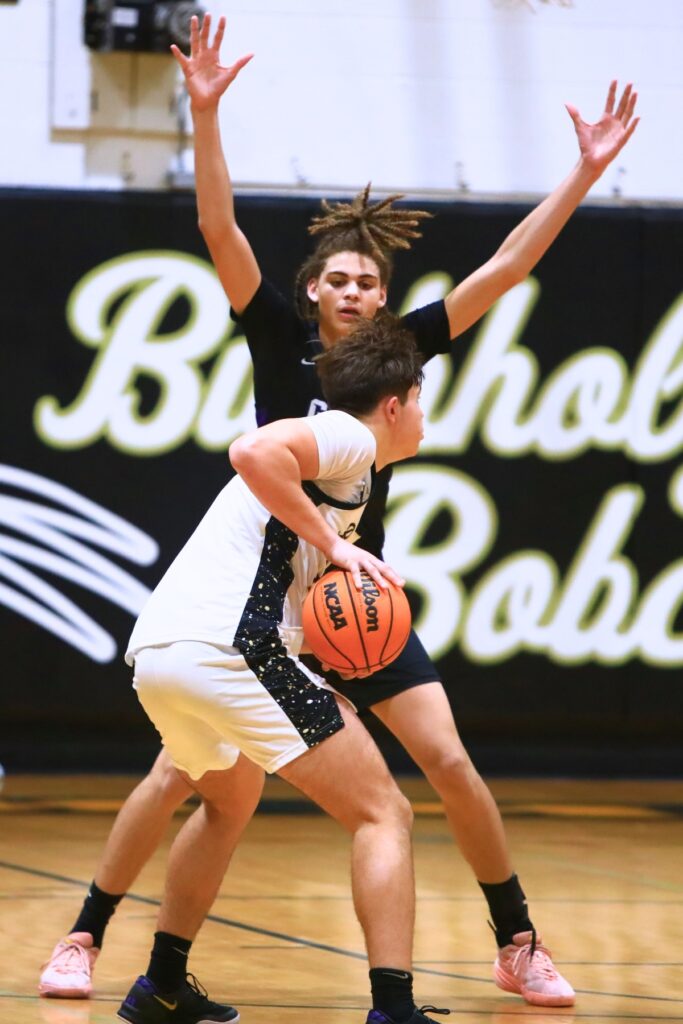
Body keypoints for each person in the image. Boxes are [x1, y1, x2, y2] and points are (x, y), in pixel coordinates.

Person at [39, 12, 639, 1009]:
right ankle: (87, 933)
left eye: (370, 279)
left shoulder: (400, 352)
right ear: (313, 287)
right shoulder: (277, 340)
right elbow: (219, 230)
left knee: (445, 759)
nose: (356, 289)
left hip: (353, 602)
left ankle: (516, 938)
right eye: (341, 277)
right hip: (271, 596)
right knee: (188, 779)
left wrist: (579, 178)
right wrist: (203, 116)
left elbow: (501, 272)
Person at [115, 320, 452, 1024]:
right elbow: (251, 450)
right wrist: (332, 543)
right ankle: (393, 1007)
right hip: (230, 647)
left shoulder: (349, 472)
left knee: (227, 803)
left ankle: (162, 987)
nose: (423, 417)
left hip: (164, 653)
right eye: (421, 400)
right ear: (394, 404)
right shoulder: (348, 437)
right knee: (383, 812)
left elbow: (275, 565)